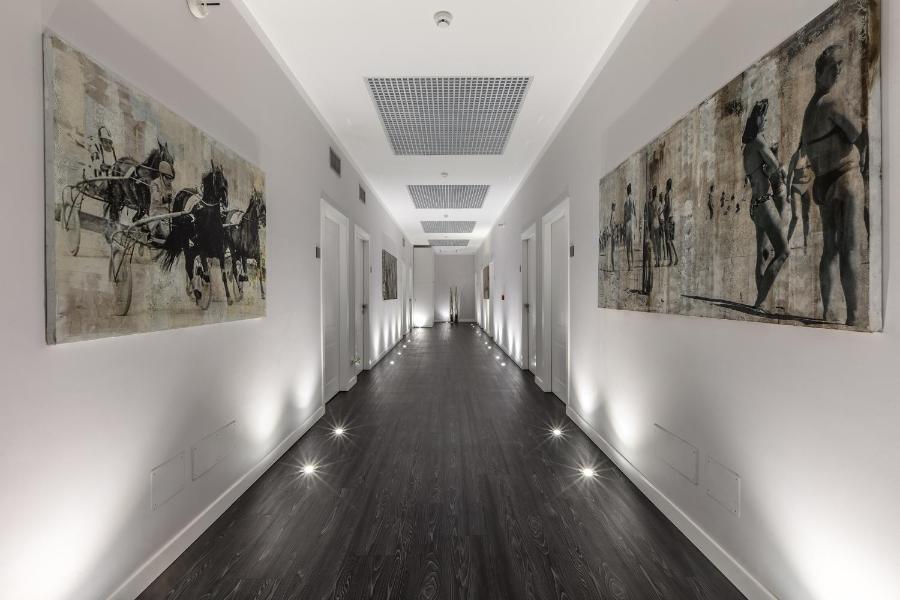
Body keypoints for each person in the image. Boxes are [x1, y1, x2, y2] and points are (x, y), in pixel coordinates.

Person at [788, 45, 866, 326]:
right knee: (850, 248)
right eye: (832, 67)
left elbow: (803, 151)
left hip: (824, 184)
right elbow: (856, 132)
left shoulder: (810, 111)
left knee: (830, 250)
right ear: (819, 73)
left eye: (840, 66)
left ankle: (828, 312)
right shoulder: (832, 101)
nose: (838, 71)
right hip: (845, 177)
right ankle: (854, 316)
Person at [743, 99, 791, 309]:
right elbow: (775, 165)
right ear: (758, 120)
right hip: (764, 202)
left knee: (762, 255)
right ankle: (760, 302)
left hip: (754, 204)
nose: (766, 121)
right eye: (764, 117)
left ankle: (760, 305)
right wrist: (774, 164)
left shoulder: (747, 148)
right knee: (783, 251)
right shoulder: (759, 141)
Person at [148, 161, 175, 245]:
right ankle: (153, 236)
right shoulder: (154, 184)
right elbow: (156, 198)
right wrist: (164, 198)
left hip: (168, 215)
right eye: (167, 178)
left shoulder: (170, 186)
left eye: (171, 179)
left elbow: (173, 200)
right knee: (166, 234)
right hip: (157, 214)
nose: (169, 181)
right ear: (161, 175)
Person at [641, 189, 655, 294]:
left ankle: (647, 287)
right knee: (648, 263)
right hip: (649, 238)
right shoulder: (649, 206)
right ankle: (647, 287)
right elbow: (647, 223)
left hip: (649, 237)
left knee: (648, 264)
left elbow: (649, 223)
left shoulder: (649, 205)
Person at [662, 179, 679, 266]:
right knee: (671, 240)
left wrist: (664, 214)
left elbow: (668, 206)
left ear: (667, 185)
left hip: (668, 219)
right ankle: (676, 258)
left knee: (668, 241)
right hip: (672, 218)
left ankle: (672, 260)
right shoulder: (672, 193)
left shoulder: (667, 194)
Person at [623, 183, 637, 270]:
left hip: (627, 223)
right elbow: (634, 212)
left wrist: (624, 227)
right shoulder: (632, 199)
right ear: (631, 191)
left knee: (628, 246)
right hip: (631, 222)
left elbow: (624, 216)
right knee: (632, 245)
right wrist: (636, 223)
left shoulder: (625, 202)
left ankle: (629, 266)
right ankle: (633, 265)